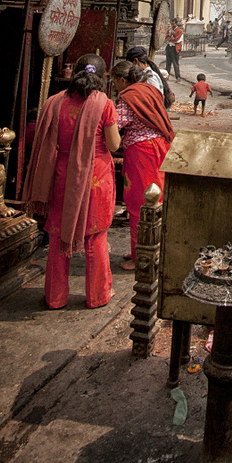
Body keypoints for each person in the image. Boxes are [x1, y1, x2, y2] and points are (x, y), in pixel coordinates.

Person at [23, 54, 120, 310]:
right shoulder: (105, 104)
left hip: (62, 174)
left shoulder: (54, 102)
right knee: (95, 237)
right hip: (95, 177)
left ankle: (55, 297)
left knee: (57, 236)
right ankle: (97, 295)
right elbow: (114, 144)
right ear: (101, 76)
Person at [110, 59, 175, 271]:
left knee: (140, 203)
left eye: (114, 81)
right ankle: (149, 249)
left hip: (142, 153)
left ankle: (141, 257)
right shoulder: (149, 89)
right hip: (158, 147)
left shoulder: (129, 97)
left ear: (122, 80)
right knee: (157, 201)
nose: (114, 86)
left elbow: (115, 125)